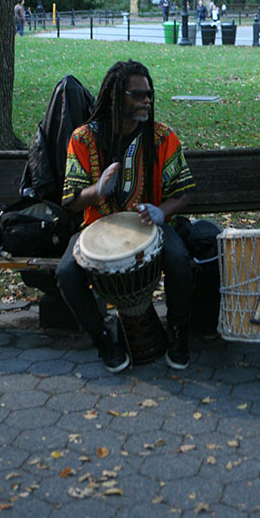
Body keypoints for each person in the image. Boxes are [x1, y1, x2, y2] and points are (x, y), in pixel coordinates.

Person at [58, 60, 196, 372]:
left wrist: (162, 212)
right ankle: (104, 340)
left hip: (151, 227)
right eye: (138, 94)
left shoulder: (162, 138)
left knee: (177, 258)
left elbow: (184, 193)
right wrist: (97, 190)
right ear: (116, 97)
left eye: (149, 94)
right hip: (97, 228)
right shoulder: (82, 139)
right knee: (67, 272)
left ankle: (178, 334)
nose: (147, 100)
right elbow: (71, 201)